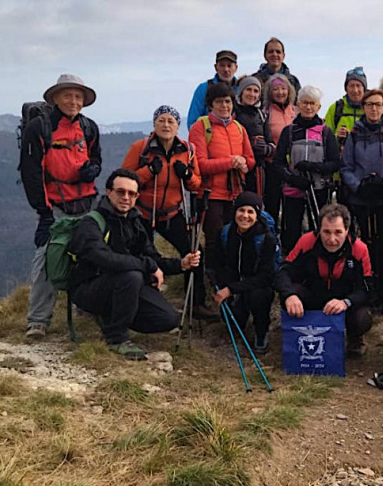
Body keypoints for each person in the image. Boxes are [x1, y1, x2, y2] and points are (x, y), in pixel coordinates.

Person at [68, 169, 201, 360]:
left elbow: (152, 258)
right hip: (88, 288)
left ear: (137, 196)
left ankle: (114, 316)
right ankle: (116, 338)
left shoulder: (134, 221)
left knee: (168, 319)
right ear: (108, 192)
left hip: (125, 287)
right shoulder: (91, 223)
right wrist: (147, 265)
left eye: (132, 194)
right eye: (120, 192)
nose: (126, 198)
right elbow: (106, 259)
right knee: (132, 275)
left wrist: (181, 264)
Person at [21, 74, 102, 339]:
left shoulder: (89, 128)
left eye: (78, 97)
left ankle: (87, 306)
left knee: (90, 255)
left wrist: (93, 170)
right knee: (48, 257)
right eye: (68, 95)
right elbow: (32, 175)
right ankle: (38, 320)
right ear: (55, 98)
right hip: (55, 206)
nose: (74, 101)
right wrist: (43, 212)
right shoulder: (39, 128)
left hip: (87, 203)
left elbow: (96, 158)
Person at [121, 105, 214, 318]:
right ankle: (144, 303)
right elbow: (124, 179)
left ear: (177, 126)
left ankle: (196, 303)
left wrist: (188, 175)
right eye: (161, 120)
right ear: (154, 124)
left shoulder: (187, 150)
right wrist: (148, 171)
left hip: (172, 214)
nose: (166, 125)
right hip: (142, 214)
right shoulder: (141, 148)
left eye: (171, 121)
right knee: (142, 255)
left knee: (194, 253)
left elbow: (196, 184)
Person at [275, 204, 373, 358]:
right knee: (291, 292)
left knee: (363, 317)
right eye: (326, 232)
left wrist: (346, 302)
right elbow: (283, 272)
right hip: (313, 297)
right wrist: (289, 296)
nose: (331, 239)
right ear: (319, 229)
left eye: (338, 232)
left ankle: (355, 339)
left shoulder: (359, 249)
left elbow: (368, 288)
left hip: (342, 303)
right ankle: (299, 333)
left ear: (347, 230)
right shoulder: (307, 241)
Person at [341, 88, 383, 306]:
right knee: (364, 244)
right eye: (370, 105)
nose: (374, 108)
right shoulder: (354, 134)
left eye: (378, 104)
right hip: (361, 198)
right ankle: (367, 287)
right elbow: (346, 166)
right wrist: (358, 186)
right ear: (363, 107)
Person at [189, 83, 256, 268]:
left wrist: (242, 163)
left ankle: (230, 277)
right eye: (219, 102)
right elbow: (200, 164)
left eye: (228, 101)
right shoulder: (200, 127)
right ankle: (214, 278)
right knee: (214, 240)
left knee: (234, 237)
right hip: (211, 195)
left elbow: (250, 161)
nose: (225, 106)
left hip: (235, 193)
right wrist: (232, 161)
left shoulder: (239, 128)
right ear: (211, 104)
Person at [274, 85, 340, 253]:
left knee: (317, 230)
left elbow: (335, 163)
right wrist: (292, 179)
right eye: (305, 103)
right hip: (293, 191)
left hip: (319, 190)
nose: (308, 107)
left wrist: (315, 167)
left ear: (318, 106)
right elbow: (278, 163)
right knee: (291, 233)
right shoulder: (288, 132)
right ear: (297, 105)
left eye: (313, 103)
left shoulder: (326, 132)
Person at [209, 192, 277, 353]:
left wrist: (231, 290)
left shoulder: (266, 239)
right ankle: (238, 318)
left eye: (250, 212)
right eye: (241, 210)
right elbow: (216, 264)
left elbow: (266, 276)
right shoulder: (225, 233)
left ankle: (261, 330)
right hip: (233, 284)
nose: (245, 216)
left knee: (258, 296)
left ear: (257, 214)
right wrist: (220, 286)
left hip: (257, 286)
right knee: (233, 324)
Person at [262, 73, 297, 220]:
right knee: (272, 206)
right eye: (276, 89)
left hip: (294, 167)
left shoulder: (296, 111)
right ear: (270, 92)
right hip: (272, 167)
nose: (280, 92)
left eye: (283, 89)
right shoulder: (265, 113)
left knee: (292, 208)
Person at [234, 76, 275, 196]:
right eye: (248, 89)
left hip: (259, 168)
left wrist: (266, 149)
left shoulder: (262, 116)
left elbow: (271, 143)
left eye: (256, 91)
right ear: (241, 92)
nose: (252, 94)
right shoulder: (233, 113)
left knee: (256, 203)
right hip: (238, 167)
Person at [187, 50, 239, 127]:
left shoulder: (243, 89)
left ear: (236, 68)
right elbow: (193, 122)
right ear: (215, 67)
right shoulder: (203, 89)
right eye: (222, 65)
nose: (226, 70)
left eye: (229, 65)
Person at [324, 66, 367, 148]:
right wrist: (338, 137)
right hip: (341, 158)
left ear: (364, 88)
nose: (355, 90)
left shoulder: (371, 108)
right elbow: (325, 137)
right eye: (351, 86)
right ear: (346, 89)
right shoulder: (336, 108)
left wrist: (351, 135)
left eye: (358, 86)